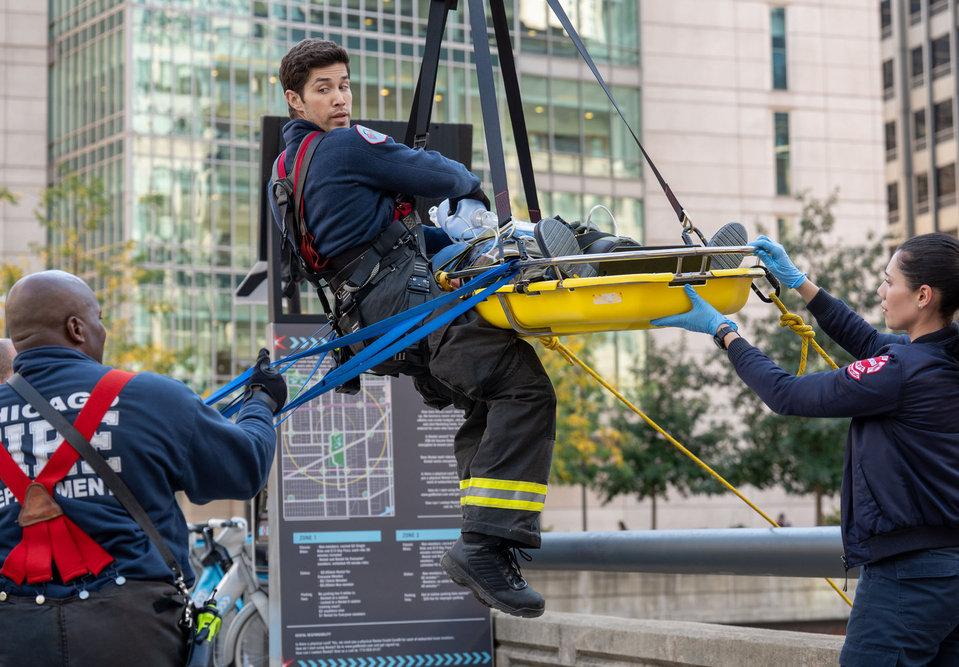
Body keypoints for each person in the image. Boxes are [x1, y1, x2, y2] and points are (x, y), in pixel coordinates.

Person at [272, 38, 556, 618]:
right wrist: (471, 193)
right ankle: (481, 546)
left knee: (490, 396)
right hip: (409, 304)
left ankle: (487, 542)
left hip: (370, 321)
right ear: (295, 101)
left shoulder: (284, 171)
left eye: (344, 84)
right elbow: (437, 171)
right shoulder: (345, 147)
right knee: (523, 390)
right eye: (323, 89)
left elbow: (361, 238)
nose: (340, 98)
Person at [657, 232, 959, 665]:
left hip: (912, 579)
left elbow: (786, 394)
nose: (881, 291)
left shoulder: (901, 373)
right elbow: (871, 343)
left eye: (888, 282)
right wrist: (800, 283)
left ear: (923, 295)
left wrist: (725, 333)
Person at [0, 270, 286, 666]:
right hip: (132, 634)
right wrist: (260, 403)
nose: (103, 329)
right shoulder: (151, 398)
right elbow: (246, 467)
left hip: (14, 635)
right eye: (99, 318)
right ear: (76, 328)